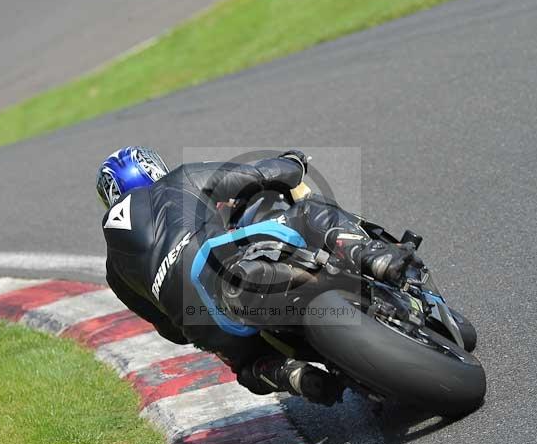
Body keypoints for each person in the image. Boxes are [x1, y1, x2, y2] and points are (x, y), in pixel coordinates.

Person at [98, 147, 421, 405]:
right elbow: (257, 174)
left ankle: (285, 373)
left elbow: (172, 333)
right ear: (153, 169)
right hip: (218, 259)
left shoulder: (115, 269)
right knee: (310, 212)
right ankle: (373, 256)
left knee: (245, 361)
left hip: (196, 318)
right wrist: (293, 162)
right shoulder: (176, 181)